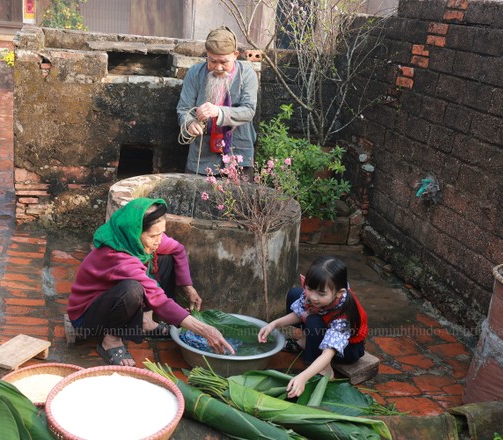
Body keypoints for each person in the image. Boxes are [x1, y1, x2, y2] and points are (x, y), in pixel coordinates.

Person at [67, 197, 235, 366]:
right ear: (135, 232)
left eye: (162, 233)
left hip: (111, 300)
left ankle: (146, 322)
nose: (159, 240)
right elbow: (158, 299)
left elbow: (178, 250)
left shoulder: (139, 241)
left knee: (166, 259)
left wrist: (188, 287)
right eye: (154, 235)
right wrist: (204, 330)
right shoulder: (116, 257)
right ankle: (110, 340)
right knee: (133, 289)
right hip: (87, 316)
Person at [258, 255, 368, 398]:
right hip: (324, 325)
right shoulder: (314, 295)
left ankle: (324, 368)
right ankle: (306, 342)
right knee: (295, 294)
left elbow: (329, 352)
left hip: (349, 349)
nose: (313, 297)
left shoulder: (343, 317)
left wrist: (303, 377)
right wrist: (273, 324)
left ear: (339, 293)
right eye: (309, 288)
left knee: (314, 322)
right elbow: (299, 313)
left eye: (321, 293)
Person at [176, 26, 258, 177]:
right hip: (202, 154)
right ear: (207, 54)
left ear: (235, 55)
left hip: (238, 151)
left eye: (224, 62)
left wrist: (218, 111)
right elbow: (183, 109)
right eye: (212, 61)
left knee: (239, 192)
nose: (218, 67)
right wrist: (190, 124)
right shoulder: (195, 73)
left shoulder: (247, 74)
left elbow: (249, 111)